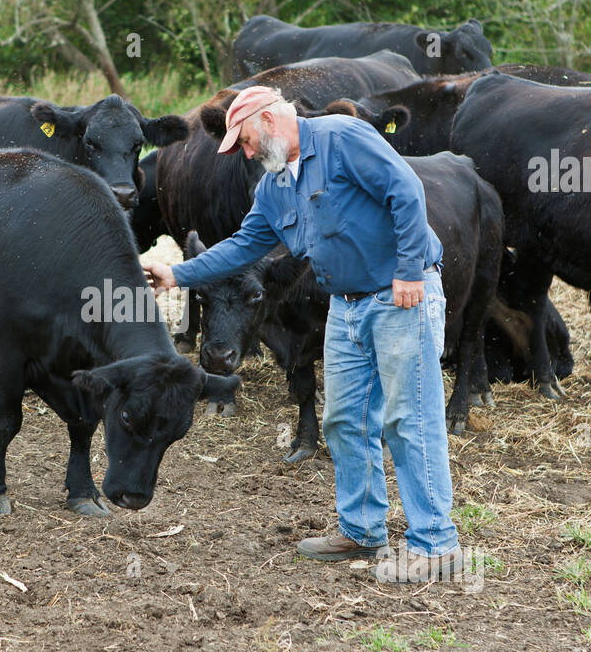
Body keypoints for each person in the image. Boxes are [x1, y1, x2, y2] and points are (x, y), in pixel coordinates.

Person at [142, 85, 464, 583]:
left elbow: (406, 189)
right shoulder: (272, 188)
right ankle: (361, 529)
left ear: (269, 120)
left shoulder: (341, 138)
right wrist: (177, 274)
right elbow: (243, 246)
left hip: (400, 297)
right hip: (347, 305)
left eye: (244, 140)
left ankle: (436, 544)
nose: (244, 153)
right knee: (343, 419)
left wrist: (408, 270)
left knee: (409, 419)